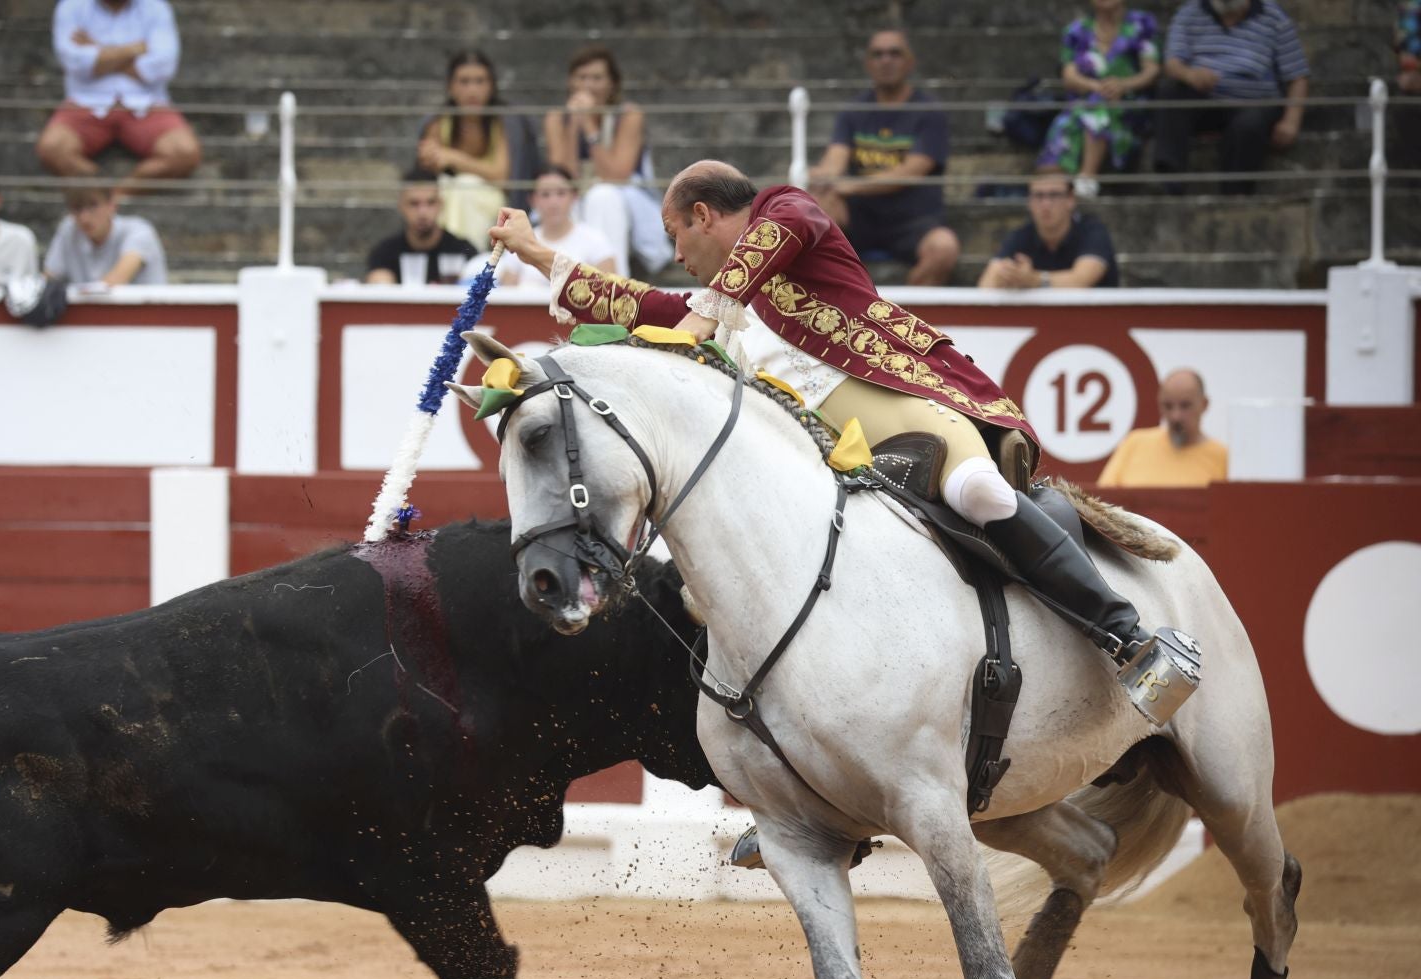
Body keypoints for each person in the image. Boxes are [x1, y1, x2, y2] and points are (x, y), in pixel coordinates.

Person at [489, 159, 1179, 677]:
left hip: (899, 416)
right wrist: (538, 252)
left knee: (979, 492)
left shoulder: (785, 209)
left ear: (705, 215)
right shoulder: (725, 305)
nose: (675, 257)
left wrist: (708, 311)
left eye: (675, 234)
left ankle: (1127, 636)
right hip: (809, 460)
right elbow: (641, 305)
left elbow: (775, 234)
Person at [808, 27, 959, 287]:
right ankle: (829, 307)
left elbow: (911, 171)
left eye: (894, 53)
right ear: (868, 64)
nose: (886, 60)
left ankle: (903, 320)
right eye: (877, 54)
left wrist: (849, 185)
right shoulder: (854, 111)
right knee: (816, 203)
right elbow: (836, 158)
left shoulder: (929, 112)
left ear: (910, 62)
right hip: (861, 218)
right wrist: (823, 176)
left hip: (914, 220)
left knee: (944, 248)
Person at [1153, 0, 1310, 196]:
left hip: (1255, 105)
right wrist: (1189, 75)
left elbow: (1297, 76)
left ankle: (1234, 196)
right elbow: (1172, 64)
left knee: (1248, 124)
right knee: (1171, 90)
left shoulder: (1274, 16)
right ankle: (1170, 178)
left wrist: (1291, 121)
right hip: (1204, 101)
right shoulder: (1189, 13)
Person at [36, 0, 201, 186]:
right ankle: (98, 195)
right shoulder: (71, 6)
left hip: (147, 104)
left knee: (185, 153)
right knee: (52, 148)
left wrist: (96, 49)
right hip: (85, 103)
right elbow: (75, 62)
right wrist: (137, 49)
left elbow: (162, 67)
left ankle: (114, 199)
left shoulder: (156, 7)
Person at [542, 44, 671, 279]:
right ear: (571, 82)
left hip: (621, 201)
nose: (588, 85)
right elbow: (562, 178)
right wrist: (574, 126)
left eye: (597, 78)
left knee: (602, 197)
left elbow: (617, 174)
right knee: (564, 200)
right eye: (582, 78)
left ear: (612, 83)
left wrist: (590, 127)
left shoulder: (629, 115)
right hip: (575, 196)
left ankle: (613, 284)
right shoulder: (556, 119)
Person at [1038, 1, 1162, 198]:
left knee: (1096, 108)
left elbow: (1152, 70)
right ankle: (1054, 191)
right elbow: (1069, 76)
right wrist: (1096, 86)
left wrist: (1123, 85)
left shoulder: (1141, 23)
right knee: (1069, 122)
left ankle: (1086, 179)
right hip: (1082, 107)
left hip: (1128, 110)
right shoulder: (1076, 30)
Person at [416, 49, 536, 250]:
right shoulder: (438, 123)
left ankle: (465, 255)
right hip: (446, 200)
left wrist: (454, 158)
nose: (472, 90)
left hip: (493, 202)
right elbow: (424, 178)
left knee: (466, 188)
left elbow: (503, 177)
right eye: (464, 82)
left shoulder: (505, 122)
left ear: (491, 86)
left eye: (480, 81)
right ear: (451, 87)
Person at [977, 172, 1118, 290]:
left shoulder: (1093, 231)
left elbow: (1082, 280)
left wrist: (1035, 280)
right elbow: (986, 283)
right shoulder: (1021, 235)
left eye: (1054, 195)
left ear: (1071, 199)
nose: (1046, 204)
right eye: (1038, 196)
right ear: (1029, 202)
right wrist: (1006, 276)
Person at [1097, 369, 1228, 486]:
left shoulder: (1223, 457)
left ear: (1204, 404)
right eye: (1168, 406)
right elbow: (1102, 503)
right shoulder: (1134, 443)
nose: (1175, 416)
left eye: (1185, 405)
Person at [494, 164, 614, 287]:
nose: (553, 202)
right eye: (545, 194)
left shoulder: (596, 240)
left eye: (561, 193)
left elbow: (610, 291)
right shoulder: (520, 242)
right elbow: (507, 290)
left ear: (574, 196)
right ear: (532, 200)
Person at [363, 168, 475, 285]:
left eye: (430, 202)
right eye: (414, 203)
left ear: (441, 204)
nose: (422, 212)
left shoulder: (462, 250)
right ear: (401, 206)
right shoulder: (384, 253)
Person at [44, 186, 166, 285]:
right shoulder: (69, 228)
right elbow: (48, 279)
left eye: (93, 205)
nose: (84, 218)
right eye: (77, 208)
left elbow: (115, 281)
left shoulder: (140, 231)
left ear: (112, 205)